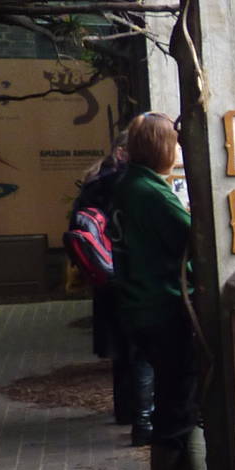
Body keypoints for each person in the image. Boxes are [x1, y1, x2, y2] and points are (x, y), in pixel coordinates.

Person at [112, 112, 205, 470]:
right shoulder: (149, 192)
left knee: (177, 396)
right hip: (162, 307)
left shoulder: (129, 184)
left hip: (140, 306)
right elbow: (194, 234)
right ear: (162, 147)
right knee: (179, 402)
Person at [73, 134, 154, 443]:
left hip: (106, 275)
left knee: (124, 350)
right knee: (138, 351)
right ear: (123, 152)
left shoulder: (96, 180)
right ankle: (142, 417)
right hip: (123, 275)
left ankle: (128, 411)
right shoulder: (120, 185)